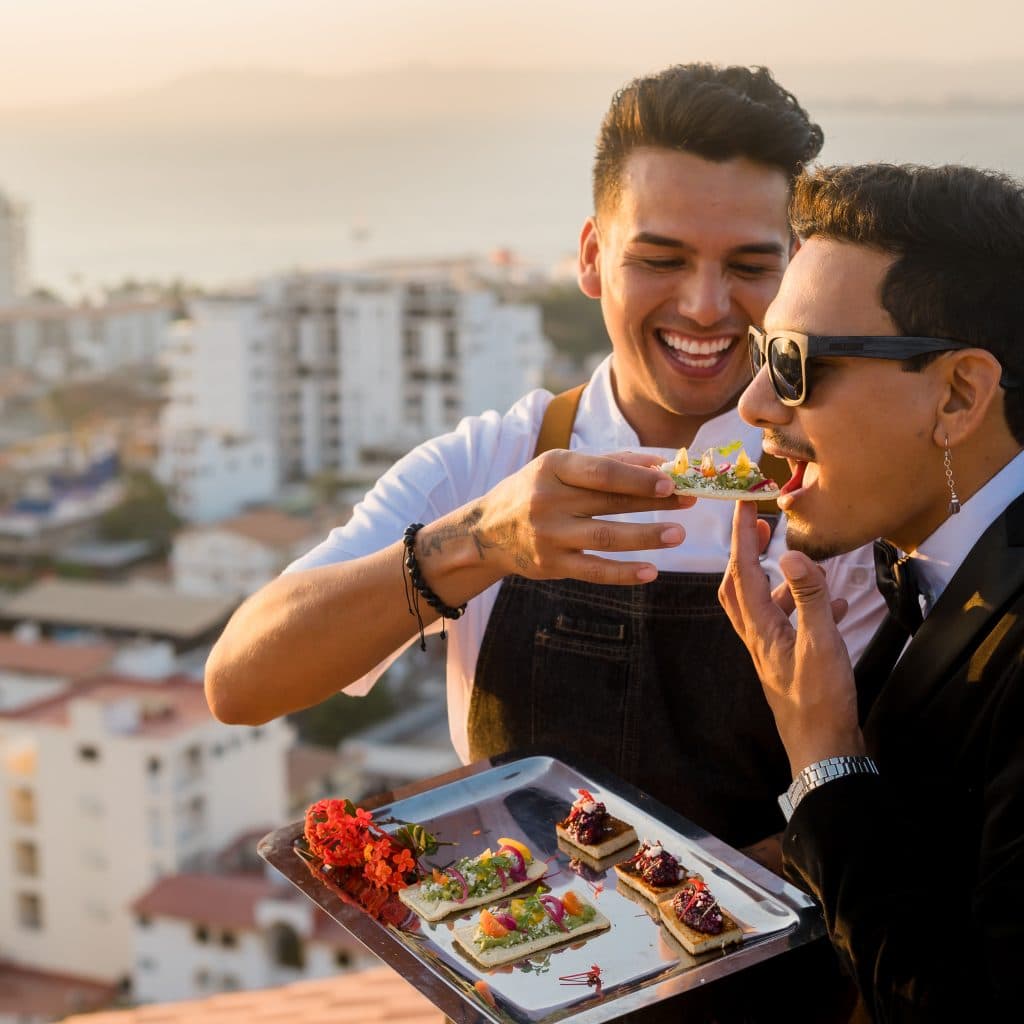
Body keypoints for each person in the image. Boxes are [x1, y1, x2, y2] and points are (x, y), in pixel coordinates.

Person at [205, 64, 884, 856]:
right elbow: (240, 683)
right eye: (660, 260)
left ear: (794, 271)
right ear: (593, 257)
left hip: (785, 962)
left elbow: (897, 792)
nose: (705, 305)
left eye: (747, 266)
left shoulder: (841, 491)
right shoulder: (487, 461)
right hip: (531, 954)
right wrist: (480, 542)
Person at [721, 162, 1024, 1019]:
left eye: (792, 364)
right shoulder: (927, 562)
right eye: (759, 352)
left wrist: (825, 757)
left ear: (960, 395)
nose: (751, 404)